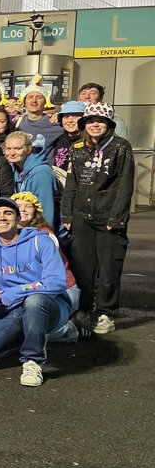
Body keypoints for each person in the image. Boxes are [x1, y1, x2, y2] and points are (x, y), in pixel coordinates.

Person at [0, 198, 75, 387]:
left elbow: (57, 282)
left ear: (17, 219)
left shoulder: (40, 241)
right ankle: (31, 340)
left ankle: (33, 361)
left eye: (8, 213)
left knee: (34, 301)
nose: (2, 218)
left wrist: (15, 292)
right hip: (12, 309)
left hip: (50, 305)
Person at [61, 102, 134, 336]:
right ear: (84, 124)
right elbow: (72, 183)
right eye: (90, 121)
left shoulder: (121, 147)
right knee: (83, 268)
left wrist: (117, 217)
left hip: (108, 217)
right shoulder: (78, 147)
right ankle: (83, 310)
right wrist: (67, 214)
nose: (95, 124)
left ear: (109, 124)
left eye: (100, 121)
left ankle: (106, 313)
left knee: (109, 269)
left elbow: (125, 185)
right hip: (82, 216)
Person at [2, 131, 57, 231]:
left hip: (43, 232)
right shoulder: (14, 168)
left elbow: (45, 211)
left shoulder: (41, 173)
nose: (12, 153)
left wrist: (44, 236)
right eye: (8, 149)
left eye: (17, 148)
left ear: (28, 149)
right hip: (26, 228)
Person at [15, 77, 62, 159]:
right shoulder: (17, 123)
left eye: (39, 97)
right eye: (30, 97)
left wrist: (62, 116)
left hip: (43, 169)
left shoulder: (54, 123)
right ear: (24, 101)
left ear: (45, 102)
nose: (34, 100)